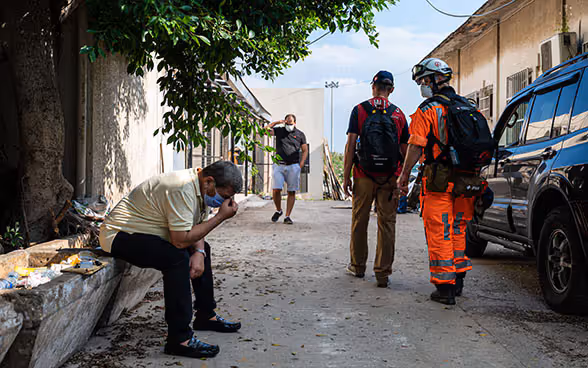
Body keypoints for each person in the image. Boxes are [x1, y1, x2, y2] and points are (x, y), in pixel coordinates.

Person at [99, 161, 242, 358]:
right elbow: (180, 240)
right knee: (176, 258)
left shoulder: (199, 187)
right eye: (224, 196)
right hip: (120, 235)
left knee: (202, 248)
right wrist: (219, 218)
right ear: (209, 181)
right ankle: (179, 339)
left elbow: (196, 226)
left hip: (150, 233)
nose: (225, 202)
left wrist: (199, 254)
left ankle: (205, 315)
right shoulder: (182, 188)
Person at [398, 58, 490, 305]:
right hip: (466, 182)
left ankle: (445, 288)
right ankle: (458, 280)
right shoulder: (471, 108)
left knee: (440, 232)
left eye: (421, 81)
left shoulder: (427, 110)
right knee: (459, 229)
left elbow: (416, 146)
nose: (421, 86)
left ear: (431, 80)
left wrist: (404, 176)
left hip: (439, 181)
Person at [343, 70, 409, 288]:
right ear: (391, 90)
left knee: (359, 221)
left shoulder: (360, 110)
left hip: (363, 174)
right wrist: (402, 178)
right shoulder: (399, 114)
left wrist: (346, 176)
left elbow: (351, 145)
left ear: (373, 86)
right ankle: (382, 273)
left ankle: (357, 266)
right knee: (387, 223)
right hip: (389, 177)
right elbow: (404, 150)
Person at [266, 114, 309, 225]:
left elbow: (305, 150)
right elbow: (265, 130)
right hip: (279, 165)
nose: (289, 125)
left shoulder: (300, 134)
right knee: (276, 190)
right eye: (287, 122)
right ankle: (279, 210)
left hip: (293, 166)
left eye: (291, 123)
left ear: (295, 123)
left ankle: (287, 216)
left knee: (291, 191)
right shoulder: (280, 131)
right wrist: (277, 122)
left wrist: (301, 164)